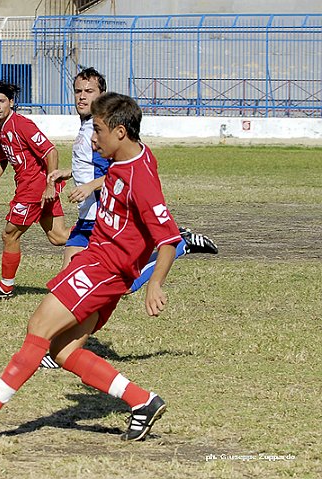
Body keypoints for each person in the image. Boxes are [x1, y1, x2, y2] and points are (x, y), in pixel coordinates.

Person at [0, 92, 181, 442]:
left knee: (39, 326)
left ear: (119, 132)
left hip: (104, 269)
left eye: (97, 130)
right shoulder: (127, 161)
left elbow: (169, 238)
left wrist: (156, 283)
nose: (92, 137)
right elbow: (120, 180)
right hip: (98, 262)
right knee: (64, 351)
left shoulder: (140, 177)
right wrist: (90, 182)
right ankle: (142, 401)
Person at [38, 68, 217, 370]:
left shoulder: (105, 131)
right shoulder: (89, 129)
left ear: (102, 96)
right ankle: (63, 347)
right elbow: (91, 165)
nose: (82, 97)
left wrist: (90, 186)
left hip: (102, 215)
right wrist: (68, 173)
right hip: (88, 214)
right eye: (78, 91)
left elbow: (117, 171)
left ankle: (62, 349)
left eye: (89, 92)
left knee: (104, 281)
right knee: (73, 265)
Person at [0, 80, 69, 299]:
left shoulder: (22, 125)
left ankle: (5, 288)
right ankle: (108, 239)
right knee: (58, 237)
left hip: (34, 188)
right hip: (30, 187)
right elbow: (1, 159)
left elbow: (51, 152)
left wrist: (49, 184)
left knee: (9, 235)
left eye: (1, 101)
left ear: (11, 103)